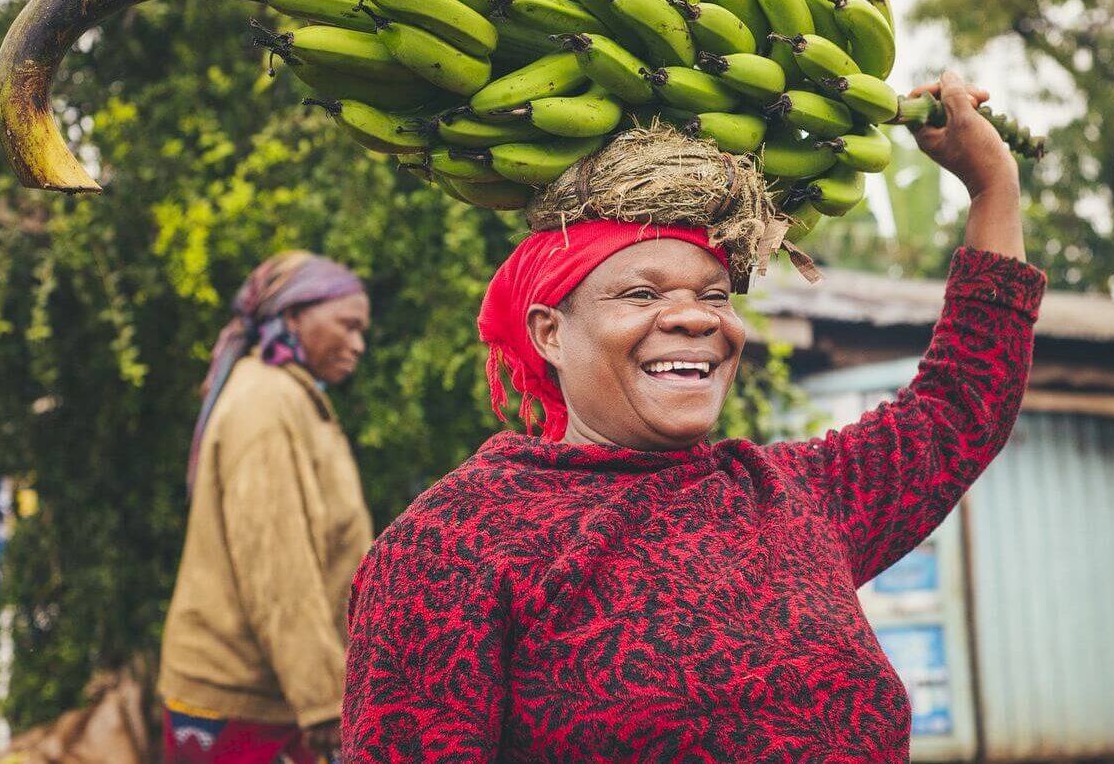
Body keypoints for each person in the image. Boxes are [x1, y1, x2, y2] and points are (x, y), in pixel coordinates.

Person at [342, 73, 1044, 760]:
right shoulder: (453, 546)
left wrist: (991, 186)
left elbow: (960, 406)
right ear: (550, 333)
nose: (691, 318)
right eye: (641, 294)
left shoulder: (791, 496)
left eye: (714, 294)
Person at [161, 251, 373, 764]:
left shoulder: (290, 397)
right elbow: (278, 567)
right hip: (244, 699)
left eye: (362, 331)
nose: (357, 344)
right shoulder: (266, 404)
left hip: (268, 695)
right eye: (347, 325)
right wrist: (323, 699)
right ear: (294, 315)